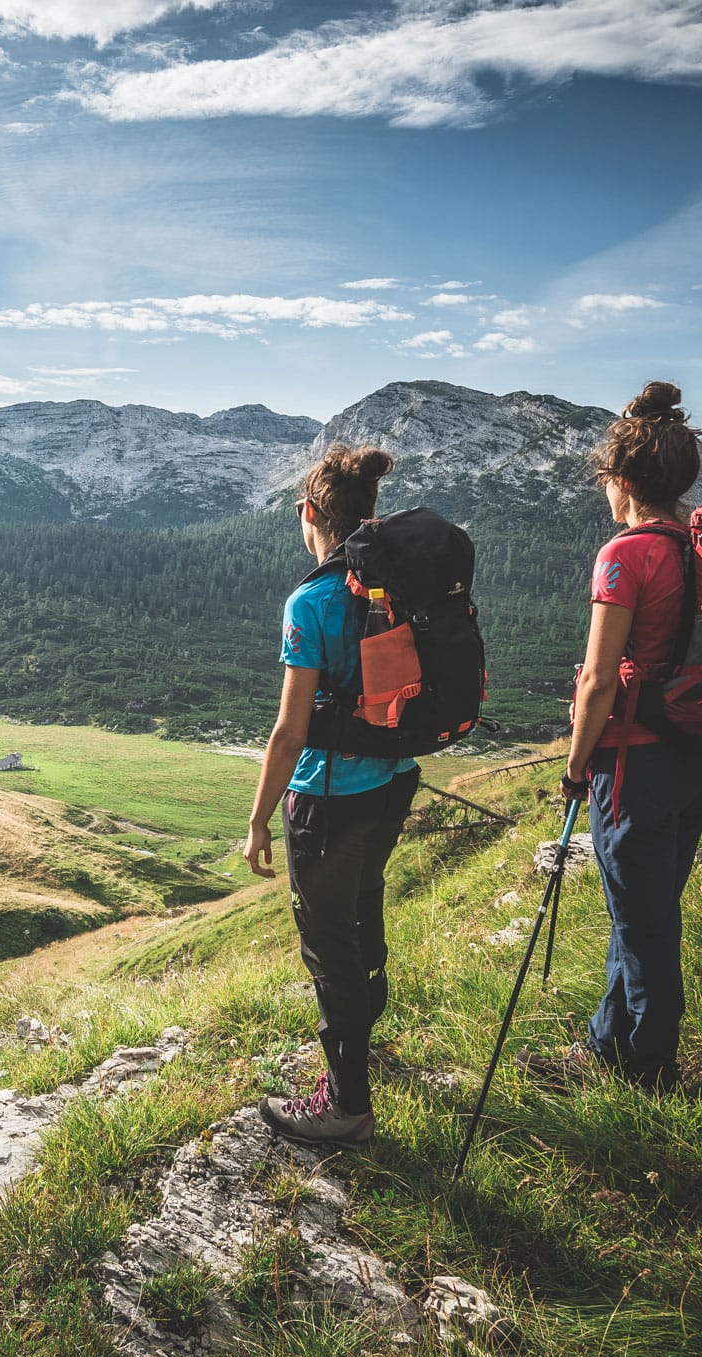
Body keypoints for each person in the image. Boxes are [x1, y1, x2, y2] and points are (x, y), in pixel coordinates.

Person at [521, 381, 702, 1091]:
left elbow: (599, 679)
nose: (606, 492)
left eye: (607, 479)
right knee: (644, 911)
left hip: (635, 766)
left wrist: (577, 765)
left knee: (643, 926)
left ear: (626, 481)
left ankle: (648, 1072)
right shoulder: (699, 545)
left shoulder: (625, 553)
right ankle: (608, 1045)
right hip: (699, 756)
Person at [245, 442, 421, 1148]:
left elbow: (291, 732)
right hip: (393, 779)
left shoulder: (312, 600)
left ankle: (346, 1102)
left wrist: (259, 818)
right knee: (364, 905)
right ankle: (363, 1042)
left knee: (326, 945)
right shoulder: (400, 585)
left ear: (310, 513)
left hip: (327, 795)